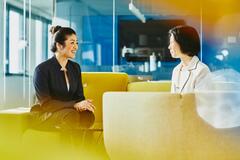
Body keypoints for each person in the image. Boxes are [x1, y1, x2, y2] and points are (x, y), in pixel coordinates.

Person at [32, 25, 95, 130]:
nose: (76, 47)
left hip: (68, 111)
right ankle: (67, 145)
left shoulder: (75, 68)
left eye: (76, 43)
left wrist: (84, 105)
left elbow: (79, 97)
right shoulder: (41, 70)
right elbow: (46, 104)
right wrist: (74, 104)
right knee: (71, 115)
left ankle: (80, 146)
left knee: (88, 116)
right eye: (72, 43)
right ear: (59, 46)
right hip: (46, 114)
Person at [168, 25, 210, 93]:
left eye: (172, 42)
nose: (169, 47)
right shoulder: (176, 70)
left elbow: (203, 102)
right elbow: (173, 99)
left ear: (183, 42)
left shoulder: (202, 70)